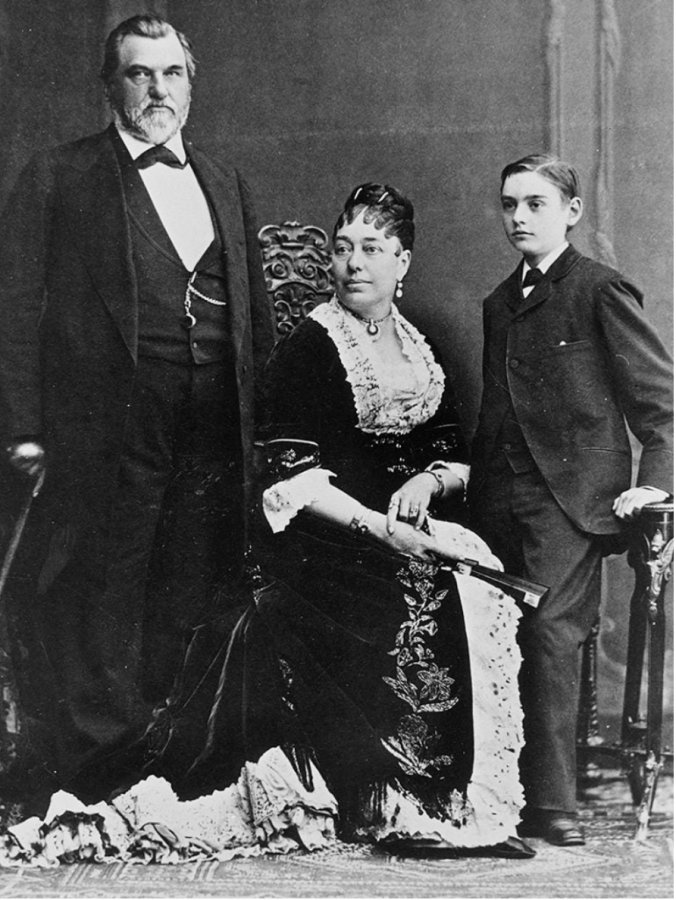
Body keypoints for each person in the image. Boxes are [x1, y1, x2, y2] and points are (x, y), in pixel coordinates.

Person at [0, 183, 534, 866]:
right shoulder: (313, 345)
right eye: (342, 248)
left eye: (372, 249)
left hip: (407, 525)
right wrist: (378, 527)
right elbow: (291, 479)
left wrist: (427, 481)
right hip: (325, 535)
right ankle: (397, 800)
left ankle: (464, 800)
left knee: (472, 572)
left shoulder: (418, 347)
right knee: (409, 585)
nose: (353, 264)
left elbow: (454, 451)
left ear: (403, 261)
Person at [0, 14, 274, 808]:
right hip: (105, 426)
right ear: (109, 85)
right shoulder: (58, 175)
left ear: (192, 84)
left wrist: (263, 425)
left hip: (214, 425)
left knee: (190, 580)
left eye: (171, 73)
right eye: (138, 73)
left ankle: (176, 756)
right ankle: (104, 766)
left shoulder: (223, 179)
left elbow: (254, 315)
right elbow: (13, 309)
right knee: (105, 586)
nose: (158, 90)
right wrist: (23, 428)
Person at [468, 154, 673, 847]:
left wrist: (656, 481)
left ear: (572, 212)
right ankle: (484, 792)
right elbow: (496, 414)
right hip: (499, 499)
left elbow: (662, 405)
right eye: (509, 204)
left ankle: (552, 805)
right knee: (479, 628)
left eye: (535, 204)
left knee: (549, 632)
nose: (519, 217)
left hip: (574, 502)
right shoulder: (499, 302)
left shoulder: (598, 289)